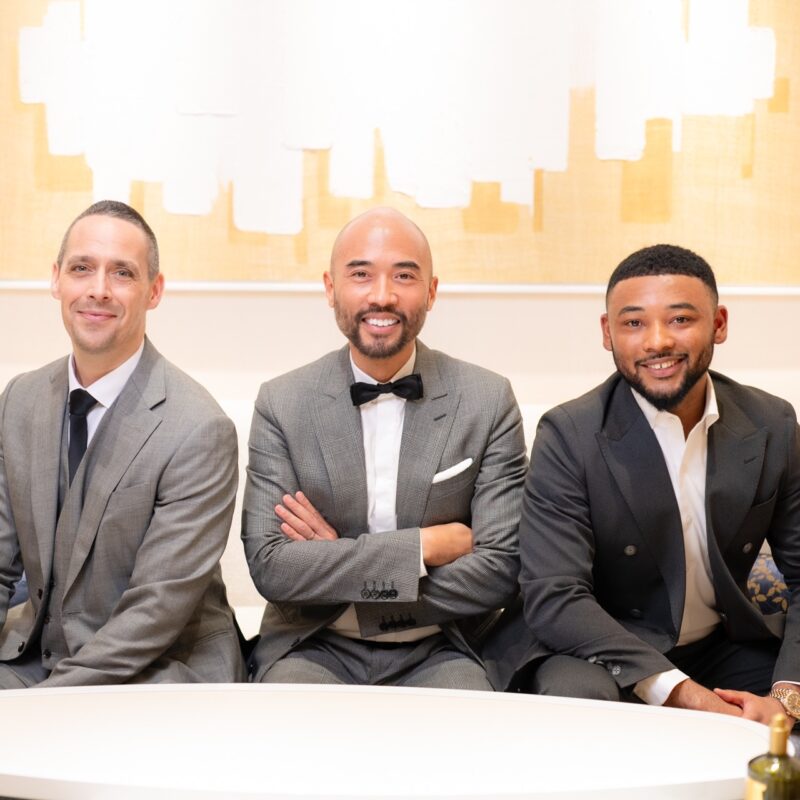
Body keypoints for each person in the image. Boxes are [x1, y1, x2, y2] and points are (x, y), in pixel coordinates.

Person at [483, 244, 799, 724]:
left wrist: (786, 699)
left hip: (719, 645)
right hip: (597, 649)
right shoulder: (568, 433)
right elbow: (555, 596)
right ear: (607, 333)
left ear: (719, 324)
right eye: (633, 323)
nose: (657, 341)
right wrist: (690, 698)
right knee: (580, 702)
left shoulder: (772, 422)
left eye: (680, 319)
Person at [242, 207, 527, 689]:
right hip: (313, 642)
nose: (382, 295)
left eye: (404, 276)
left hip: (444, 645)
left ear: (431, 291)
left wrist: (339, 566)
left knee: (469, 723)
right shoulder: (282, 403)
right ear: (331, 289)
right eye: (360, 275)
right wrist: (422, 548)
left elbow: (500, 569)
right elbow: (272, 567)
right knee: (288, 720)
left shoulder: (487, 399)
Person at [0, 200, 245, 687]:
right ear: (56, 280)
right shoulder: (18, 400)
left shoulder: (199, 428)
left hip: (157, 665)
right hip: (36, 657)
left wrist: (41, 705)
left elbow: (153, 613)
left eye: (122, 273)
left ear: (154, 291)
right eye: (82, 268)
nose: (98, 289)